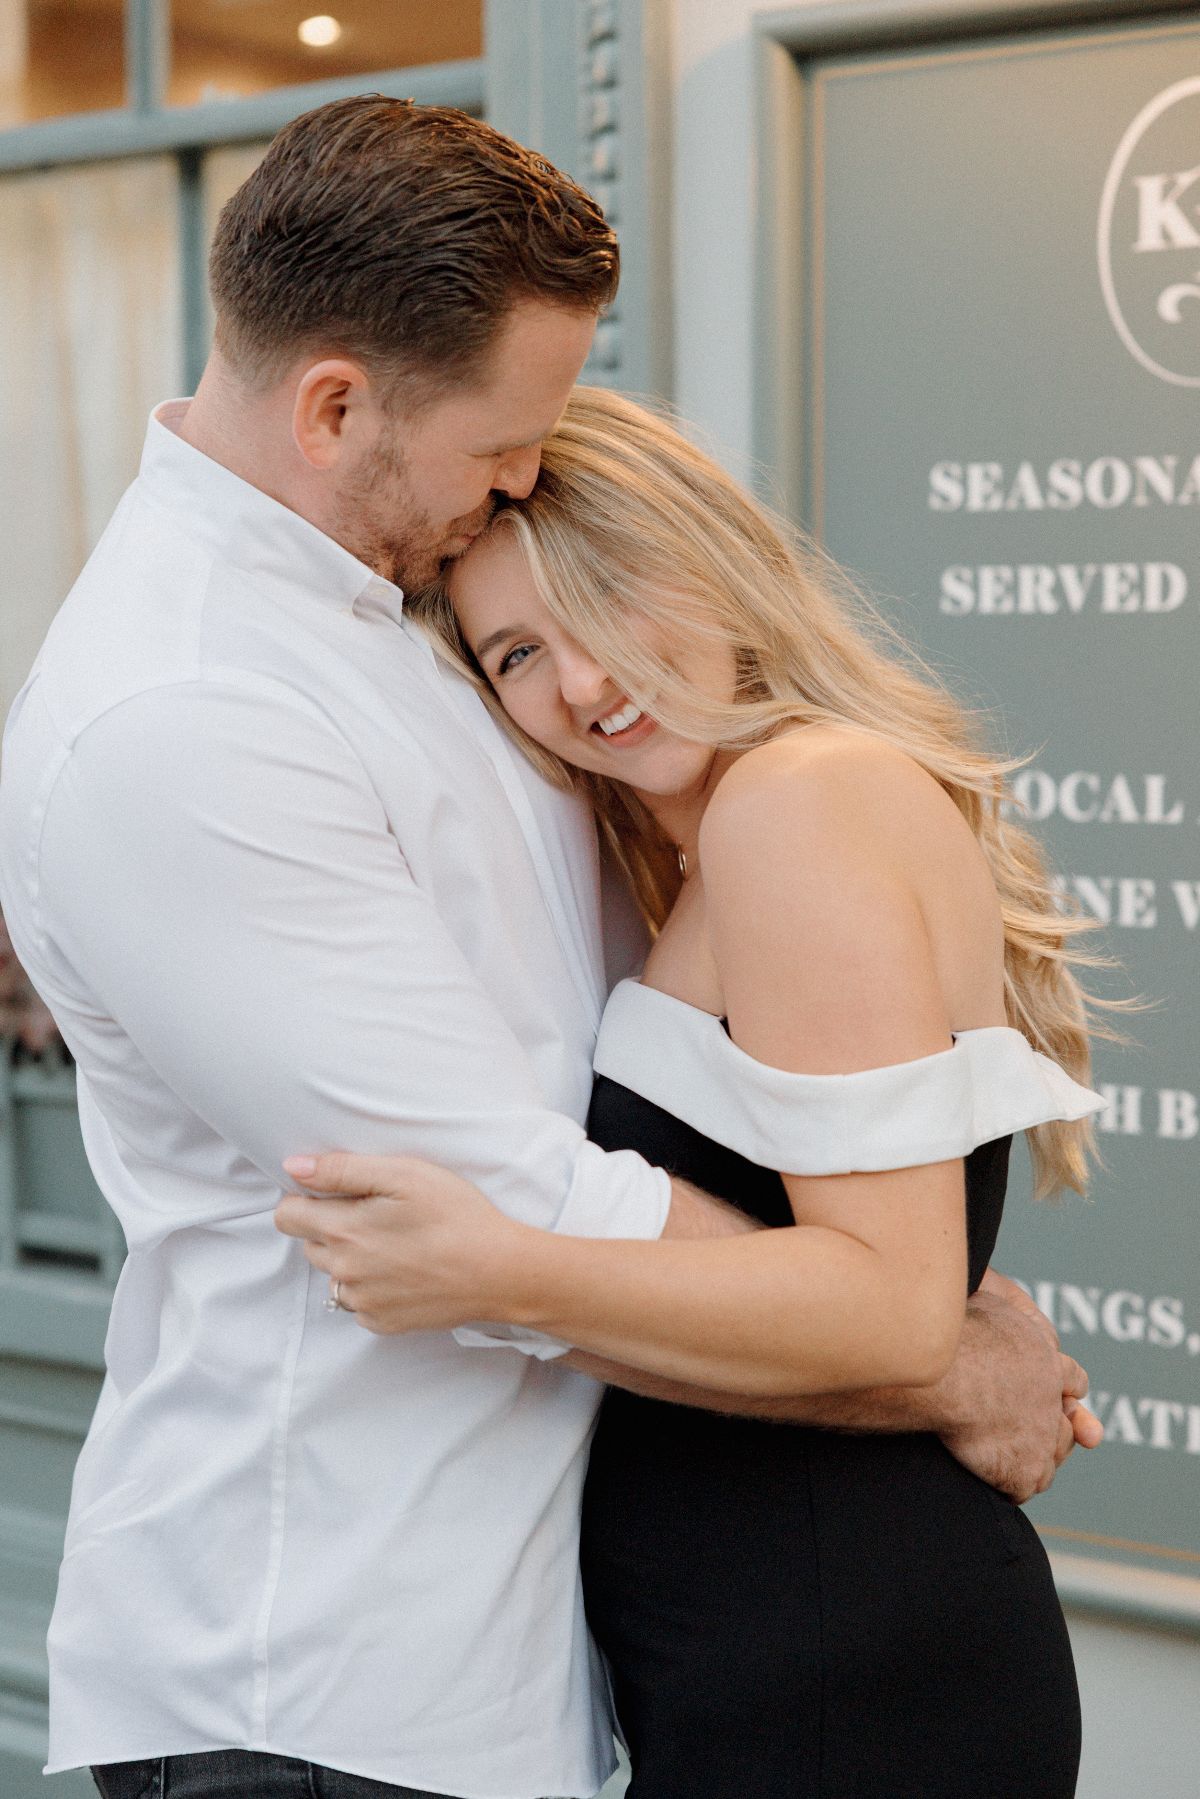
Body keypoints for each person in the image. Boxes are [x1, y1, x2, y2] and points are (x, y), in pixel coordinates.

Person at [0, 97, 1093, 1799]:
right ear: (337, 404)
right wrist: (936, 1351)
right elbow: (493, 1205)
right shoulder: (190, 708)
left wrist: (903, 1299)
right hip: (326, 1680)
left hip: (577, 1664)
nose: (525, 478)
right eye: (506, 442)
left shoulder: (412, 618)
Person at [275, 388, 1111, 1798]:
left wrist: (499, 1268)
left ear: (715, 558)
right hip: (783, 1651)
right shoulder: (707, 847)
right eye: (521, 651)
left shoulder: (800, 803)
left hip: (846, 1664)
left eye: (615, 596)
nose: (589, 683)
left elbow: (893, 1308)